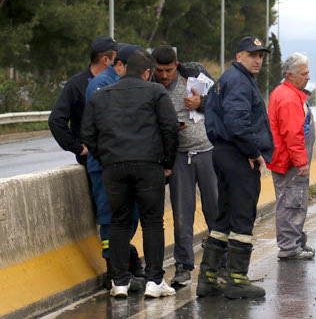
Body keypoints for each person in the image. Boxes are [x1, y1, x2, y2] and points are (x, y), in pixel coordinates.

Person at [81, 49, 179, 298]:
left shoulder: (101, 95)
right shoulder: (156, 92)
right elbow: (170, 128)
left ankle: (120, 282)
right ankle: (154, 281)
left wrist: (105, 157)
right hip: (149, 165)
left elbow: (88, 134)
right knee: (153, 222)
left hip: (114, 166)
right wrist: (167, 162)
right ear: (147, 73)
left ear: (122, 68)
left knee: (119, 223)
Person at [197, 36, 274, 299]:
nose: (258, 60)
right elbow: (237, 121)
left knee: (224, 218)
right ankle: (237, 280)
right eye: (253, 55)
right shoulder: (239, 81)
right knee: (242, 216)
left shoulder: (228, 79)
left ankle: (208, 278)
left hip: (223, 153)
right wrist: (252, 152)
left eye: (261, 56)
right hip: (238, 155)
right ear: (239, 55)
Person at [150, 45, 219, 288]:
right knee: (181, 214)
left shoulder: (194, 73)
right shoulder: (151, 85)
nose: (164, 75)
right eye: (160, 70)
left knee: (215, 209)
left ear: (176, 65)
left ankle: (218, 261)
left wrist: (201, 102)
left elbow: (220, 100)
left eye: (168, 70)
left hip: (207, 151)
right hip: (179, 156)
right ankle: (183, 265)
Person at [85, 44, 145, 288]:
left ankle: (124, 258)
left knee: (131, 217)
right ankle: (113, 268)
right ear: (119, 65)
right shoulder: (100, 84)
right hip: (104, 165)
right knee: (110, 217)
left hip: (129, 162)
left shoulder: (130, 83)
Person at [268, 53, 315, 260]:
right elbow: (293, 133)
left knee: (292, 200)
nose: (308, 77)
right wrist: (301, 162)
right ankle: (289, 247)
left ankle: (295, 242)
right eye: (304, 74)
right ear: (290, 75)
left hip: (286, 159)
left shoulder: (288, 93)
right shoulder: (288, 98)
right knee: (291, 202)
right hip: (289, 162)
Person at [49, 36, 122, 167]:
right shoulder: (76, 85)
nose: (119, 63)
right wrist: (78, 147)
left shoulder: (116, 82)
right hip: (93, 162)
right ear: (106, 60)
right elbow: (56, 120)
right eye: (115, 59)